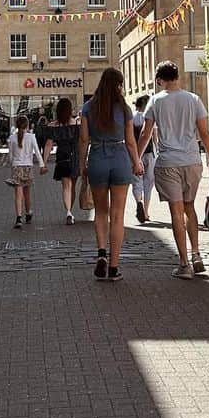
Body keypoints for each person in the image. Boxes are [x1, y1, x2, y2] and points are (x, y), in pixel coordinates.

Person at [139, 62, 209, 280]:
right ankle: (196, 254)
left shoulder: (155, 101)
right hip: (192, 161)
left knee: (176, 211)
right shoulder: (193, 99)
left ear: (159, 80)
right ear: (177, 77)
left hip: (168, 162)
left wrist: (136, 159)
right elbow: (204, 133)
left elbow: (146, 134)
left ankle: (184, 264)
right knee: (189, 208)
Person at [79, 68, 143, 281]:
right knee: (117, 215)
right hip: (119, 158)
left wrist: (82, 164)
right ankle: (114, 266)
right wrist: (137, 161)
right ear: (117, 85)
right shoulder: (124, 109)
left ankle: (101, 253)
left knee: (100, 213)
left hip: (97, 157)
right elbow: (131, 140)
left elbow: (84, 140)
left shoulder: (88, 108)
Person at [43, 97, 81, 225]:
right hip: (75, 157)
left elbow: (48, 145)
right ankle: (71, 211)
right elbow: (82, 142)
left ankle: (69, 211)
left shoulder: (53, 126)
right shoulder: (76, 124)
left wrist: (44, 162)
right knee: (73, 186)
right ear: (70, 110)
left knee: (66, 186)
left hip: (62, 157)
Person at [7, 114, 45, 229]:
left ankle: (19, 217)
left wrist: (13, 164)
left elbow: (10, 156)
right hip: (28, 167)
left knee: (18, 194)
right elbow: (37, 152)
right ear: (27, 125)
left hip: (17, 167)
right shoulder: (31, 137)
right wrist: (42, 165)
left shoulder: (12, 138)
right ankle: (28, 212)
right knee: (27, 193)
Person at [131, 94, 157, 223]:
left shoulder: (132, 117)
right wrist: (156, 150)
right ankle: (146, 212)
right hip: (149, 153)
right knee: (149, 183)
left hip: (135, 154)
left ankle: (138, 202)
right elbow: (154, 136)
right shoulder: (149, 117)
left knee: (136, 181)